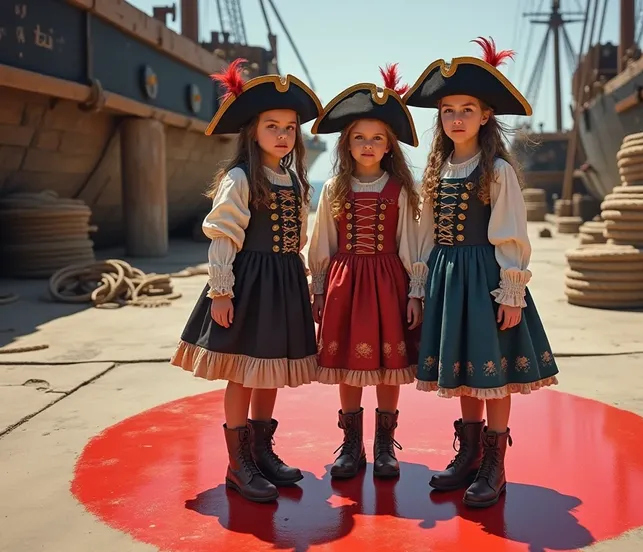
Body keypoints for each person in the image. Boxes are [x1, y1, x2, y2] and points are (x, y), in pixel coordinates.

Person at [403, 38, 559, 508]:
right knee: (465, 368)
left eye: (466, 109)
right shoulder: (437, 167)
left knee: (494, 371)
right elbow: (425, 233)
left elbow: (511, 233)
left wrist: (511, 292)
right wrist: (420, 285)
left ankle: (495, 463)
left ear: (485, 115)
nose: (456, 118)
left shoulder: (496, 170)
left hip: (485, 278)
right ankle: (469, 453)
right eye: (448, 110)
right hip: (449, 277)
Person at [170, 59, 323, 503]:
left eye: (290, 128)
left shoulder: (293, 178)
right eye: (271, 125)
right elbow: (223, 235)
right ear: (252, 131)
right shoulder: (240, 178)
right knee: (241, 371)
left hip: (284, 281)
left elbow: (298, 234)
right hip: (249, 282)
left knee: (270, 368)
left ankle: (262, 453)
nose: (282, 135)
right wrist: (221, 290)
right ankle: (238, 464)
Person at [308, 64, 426, 479]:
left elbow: (411, 244)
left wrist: (415, 291)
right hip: (345, 284)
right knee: (349, 365)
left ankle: (384, 445)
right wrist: (318, 289)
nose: (368, 144)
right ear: (347, 144)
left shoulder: (400, 191)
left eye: (377, 138)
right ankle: (351, 443)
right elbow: (321, 241)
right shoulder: (334, 189)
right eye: (359, 137)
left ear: (390, 146)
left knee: (388, 364)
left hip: (388, 283)